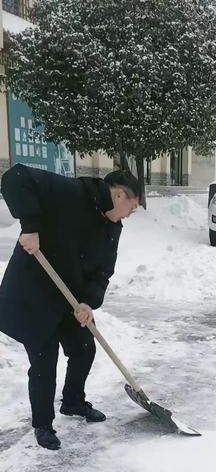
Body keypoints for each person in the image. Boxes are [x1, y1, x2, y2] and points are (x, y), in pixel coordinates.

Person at [0, 164, 140, 450]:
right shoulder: (71, 192)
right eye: (132, 207)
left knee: (84, 347)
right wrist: (30, 226)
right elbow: (14, 177)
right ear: (119, 196)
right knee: (44, 359)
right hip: (34, 294)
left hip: (69, 298)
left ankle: (73, 402)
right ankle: (42, 424)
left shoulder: (113, 227)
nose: (130, 215)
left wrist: (89, 302)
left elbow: (103, 272)